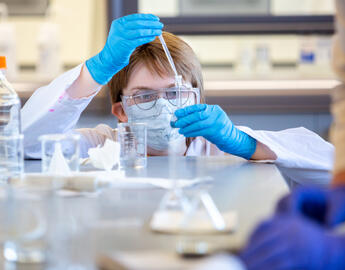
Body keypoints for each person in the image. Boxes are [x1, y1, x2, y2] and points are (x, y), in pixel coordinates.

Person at [22, 13, 333, 186]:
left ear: (195, 96)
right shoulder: (101, 146)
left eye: (174, 92)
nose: (163, 104)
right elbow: (27, 144)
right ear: (120, 111)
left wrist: (245, 144)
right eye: (144, 96)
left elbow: (331, 165)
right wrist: (97, 69)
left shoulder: (219, 143)